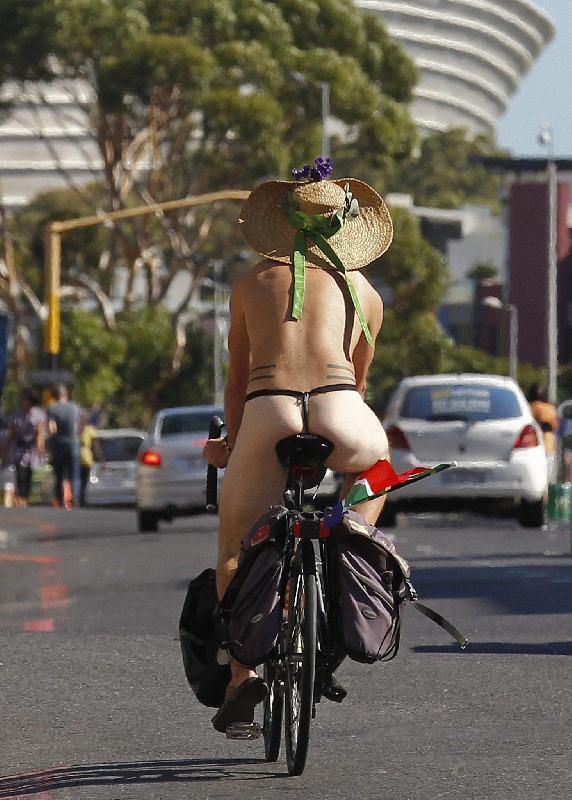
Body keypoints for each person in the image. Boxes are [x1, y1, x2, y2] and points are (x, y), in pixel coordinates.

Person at [203, 158, 393, 733]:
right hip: (339, 406)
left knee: (234, 542)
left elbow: (237, 383)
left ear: (280, 221)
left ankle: (242, 676)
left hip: (269, 407)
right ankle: (350, 530)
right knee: (380, 466)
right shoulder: (365, 292)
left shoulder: (251, 284)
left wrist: (232, 446)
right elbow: (360, 382)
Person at [4, 388, 46, 507]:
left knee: (28, 476)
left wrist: (41, 449)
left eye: (23, 398)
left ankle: (24, 498)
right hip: (19, 450)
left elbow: (40, 434)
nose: (21, 401)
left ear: (30, 401)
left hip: (32, 450)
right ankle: (21, 499)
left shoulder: (39, 414)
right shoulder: (17, 414)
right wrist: (5, 452)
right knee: (20, 475)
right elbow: (11, 435)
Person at [47, 384, 81, 508]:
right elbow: (77, 427)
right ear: (66, 394)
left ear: (54, 396)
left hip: (58, 446)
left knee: (59, 476)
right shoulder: (74, 407)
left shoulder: (52, 408)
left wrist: (50, 441)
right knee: (74, 476)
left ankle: (60, 502)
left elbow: (52, 428)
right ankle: (75, 500)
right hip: (73, 445)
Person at [527, 382, 559, 483]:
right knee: (547, 479)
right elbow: (555, 426)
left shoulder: (528, 408)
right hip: (548, 446)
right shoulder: (550, 409)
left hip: (531, 446)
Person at [79, 412, 103, 507]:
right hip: (78, 459)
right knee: (80, 482)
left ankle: (81, 499)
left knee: (83, 482)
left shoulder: (89, 430)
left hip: (84, 459)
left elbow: (96, 447)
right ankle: (79, 500)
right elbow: (96, 447)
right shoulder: (78, 429)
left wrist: (100, 459)